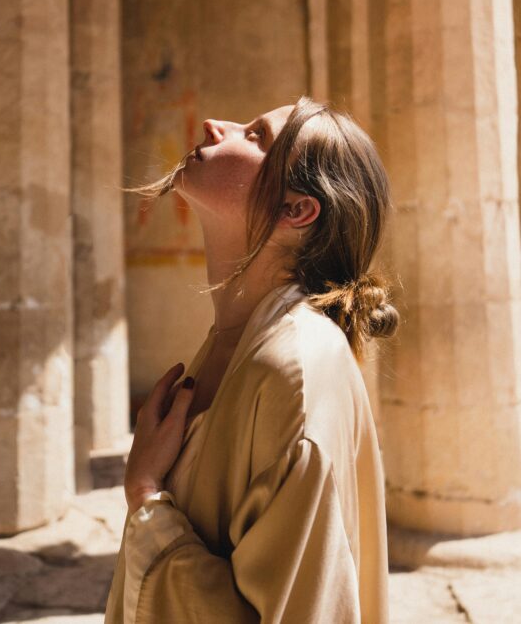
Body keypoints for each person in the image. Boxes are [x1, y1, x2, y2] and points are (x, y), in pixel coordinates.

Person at [104, 95, 400, 623]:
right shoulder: (240, 339)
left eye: (257, 136)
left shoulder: (294, 369)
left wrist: (146, 495)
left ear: (297, 209)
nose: (217, 125)